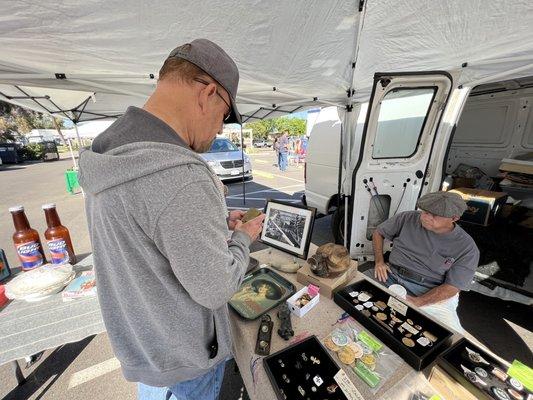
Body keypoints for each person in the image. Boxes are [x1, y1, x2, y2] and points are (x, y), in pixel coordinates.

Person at [78, 39, 265, 400]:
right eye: (225, 115)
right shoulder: (182, 176)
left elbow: (146, 227)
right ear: (209, 93)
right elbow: (216, 288)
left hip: (149, 348)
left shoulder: (107, 149)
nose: (221, 129)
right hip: (186, 362)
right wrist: (242, 238)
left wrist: (214, 219)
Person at [366, 191, 479, 333]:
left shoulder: (466, 247)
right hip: (390, 275)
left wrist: (418, 302)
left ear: (454, 218)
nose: (425, 217)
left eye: (434, 215)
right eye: (424, 212)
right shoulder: (407, 218)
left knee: (449, 335)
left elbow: (452, 287)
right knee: (349, 291)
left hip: (429, 291)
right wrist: (379, 262)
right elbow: (379, 233)